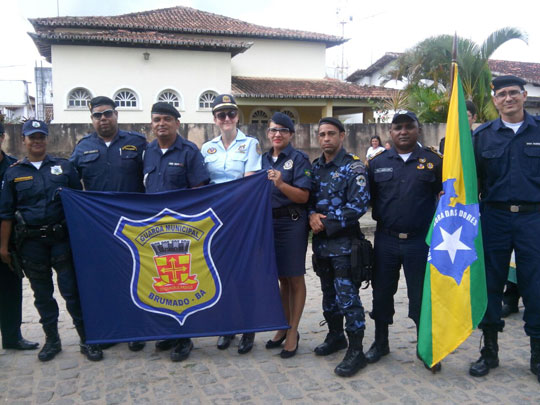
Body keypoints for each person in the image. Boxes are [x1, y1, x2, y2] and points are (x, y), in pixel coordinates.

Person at [0, 120, 103, 362]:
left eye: (41, 137)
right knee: (42, 295)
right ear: (23, 140)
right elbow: (5, 214)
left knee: (72, 292)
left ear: (47, 139)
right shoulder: (13, 173)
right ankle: (52, 341)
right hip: (31, 244)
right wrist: (3, 247)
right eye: (32, 137)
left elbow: (78, 204)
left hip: (61, 240)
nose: (37, 141)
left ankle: (87, 340)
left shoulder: (64, 167)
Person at [470, 75, 540, 383]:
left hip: (533, 218)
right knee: (491, 285)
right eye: (502, 94)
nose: (508, 98)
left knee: (536, 287)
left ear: (525, 96)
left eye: (514, 93)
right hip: (494, 218)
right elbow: (471, 183)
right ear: (494, 100)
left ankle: (537, 355)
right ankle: (490, 352)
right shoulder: (483, 136)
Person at [366, 111, 442, 372]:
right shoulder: (377, 163)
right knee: (382, 293)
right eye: (398, 127)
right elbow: (369, 198)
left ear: (418, 130)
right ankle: (380, 342)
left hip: (420, 241)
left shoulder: (433, 161)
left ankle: (425, 347)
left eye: (409, 127)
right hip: (386, 239)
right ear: (390, 132)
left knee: (421, 295)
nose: (403, 132)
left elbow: (446, 196)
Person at [70, 96, 147, 352]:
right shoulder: (82, 148)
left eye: (108, 113)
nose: (103, 119)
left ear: (116, 115)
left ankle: (136, 329)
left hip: (133, 226)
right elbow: (68, 182)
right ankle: (112, 328)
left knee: (134, 276)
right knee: (105, 279)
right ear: (91, 119)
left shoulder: (137, 143)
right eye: (97, 115)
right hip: (98, 229)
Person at [144, 102, 209, 362]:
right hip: (153, 230)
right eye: (157, 119)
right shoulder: (147, 151)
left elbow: (199, 190)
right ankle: (170, 331)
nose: (161, 123)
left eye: (167, 119)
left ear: (177, 123)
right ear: (152, 123)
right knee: (160, 282)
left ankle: (185, 337)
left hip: (181, 229)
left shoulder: (189, 152)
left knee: (180, 283)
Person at [309, 117, 370, 377]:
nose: (325, 139)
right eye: (321, 134)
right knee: (328, 296)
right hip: (322, 247)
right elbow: (307, 199)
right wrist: (312, 215)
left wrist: (327, 223)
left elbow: (359, 205)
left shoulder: (353, 167)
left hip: (345, 246)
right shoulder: (315, 167)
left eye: (331, 134)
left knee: (348, 299)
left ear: (342, 136)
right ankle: (336, 336)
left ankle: (356, 350)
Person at [200, 94, 261, 354]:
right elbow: (203, 185)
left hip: (241, 219)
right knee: (220, 273)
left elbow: (249, 183)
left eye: (231, 114)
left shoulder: (251, 145)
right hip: (215, 221)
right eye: (221, 114)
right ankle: (226, 326)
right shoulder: (206, 148)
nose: (226, 118)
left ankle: (248, 329)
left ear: (237, 117)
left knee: (243, 275)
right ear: (215, 119)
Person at [262, 112, 311, 359]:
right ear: (268, 133)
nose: (277, 134)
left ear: (291, 134)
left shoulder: (299, 159)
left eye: (282, 130)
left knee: (294, 278)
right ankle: (283, 326)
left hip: (292, 222)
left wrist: (281, 184)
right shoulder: (262, 159)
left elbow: (304, 197)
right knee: (281, 278)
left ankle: (293, 332)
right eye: (273, 130)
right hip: (269, 224)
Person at [0, 120, 39, 352]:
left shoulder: (14, 167)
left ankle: (12, 337)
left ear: (3, 137)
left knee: (10, 290)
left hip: (8, 238)